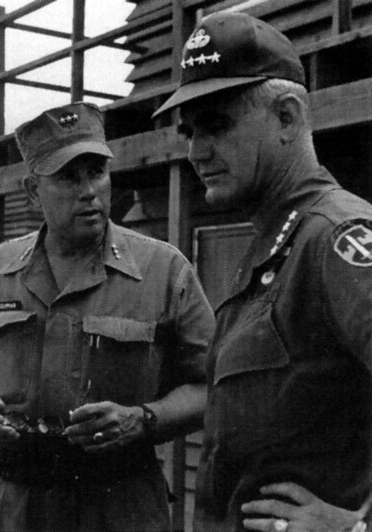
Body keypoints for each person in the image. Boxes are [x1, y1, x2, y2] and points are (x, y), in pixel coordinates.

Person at [0, 101, 215, 532]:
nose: (89, 190)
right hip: (9, 504)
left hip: (119, 504)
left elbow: (209, 386)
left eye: (97, 172)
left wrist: (142, 420)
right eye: (68, 176)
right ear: (32, 191)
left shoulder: (164, 271)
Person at [152, 12, 371, 532]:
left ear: (288, 118)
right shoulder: (275, 247)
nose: (195, 151)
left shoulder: (336, 238)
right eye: (189, 131)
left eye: (217, 125)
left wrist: (358, 527)